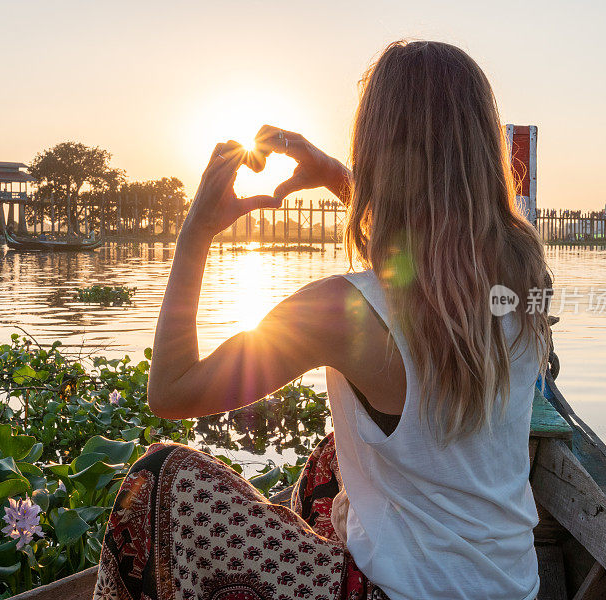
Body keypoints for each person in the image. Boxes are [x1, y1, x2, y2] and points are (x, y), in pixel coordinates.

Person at [94, 40, 550, 600]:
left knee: (161, 482)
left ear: (377, 152)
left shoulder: (342, 310)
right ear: (484, 151)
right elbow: (428, 250)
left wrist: (195, 235)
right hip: (514, 588)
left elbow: (170, 389)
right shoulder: (525, 270)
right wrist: (336, 175)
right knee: (325, 469)